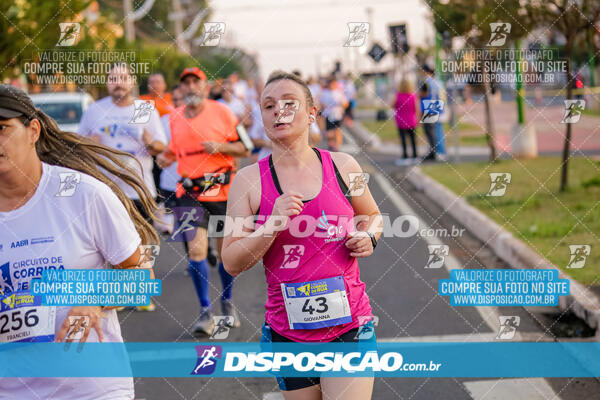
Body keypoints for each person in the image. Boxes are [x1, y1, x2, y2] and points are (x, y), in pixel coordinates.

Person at [222, 71, 382, 399]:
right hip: (288, 333)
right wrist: (272, 225)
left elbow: (373, 216)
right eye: (268, 105)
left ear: (311, 113)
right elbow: (232, 262)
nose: (278, 110)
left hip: (349, 326)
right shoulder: (247, 181)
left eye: (289, 103)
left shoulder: (345, 166)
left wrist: (370, 237)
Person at [0, 84, 158, 399]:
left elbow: (142, 280)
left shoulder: (83, 194)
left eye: (2, 128)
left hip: (92, 387)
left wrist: (94, 301)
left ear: (33, 130)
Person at [157, 67, 251, 335]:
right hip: (189, 193)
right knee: (196, 252)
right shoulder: (174, 118)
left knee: (224, 255)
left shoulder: (223, 112)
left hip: (221, 193)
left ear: (205, 87)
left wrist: (221, 147)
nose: (189, 88)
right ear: (181, 90)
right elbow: (176, 150)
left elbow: (245, 147)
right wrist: (167, 157)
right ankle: (205, 312)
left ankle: (227, 302)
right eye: (185, 84)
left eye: (194, 83)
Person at [78, 63, 167, 222]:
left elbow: (161, 146)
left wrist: (150, 143)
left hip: (140, 190)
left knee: (143, 241)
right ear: (107, 83)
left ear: (132, 81)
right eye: (113, 79)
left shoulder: (146, 110)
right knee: (108, 243)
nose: (118, 83)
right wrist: (89, 143)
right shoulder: (94, 110)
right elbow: (77, 146)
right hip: (106, 190)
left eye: (123, 78)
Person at [420, 65, 446, 159]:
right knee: (437, 131)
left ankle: (436, 152)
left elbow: (423, 94)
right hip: (437, 107)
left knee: (431, 132)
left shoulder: (427, 82)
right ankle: (438, 151)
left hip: (428, 108)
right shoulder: (438, 82)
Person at [393, 79, 419, 164]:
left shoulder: (398, 96)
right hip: (411, 120)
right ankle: (415, 156)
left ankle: (405, 156)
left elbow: (393, 105)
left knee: (403, 139)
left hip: (401, 121)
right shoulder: (413, 96)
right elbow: (416, 108)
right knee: (413, 139)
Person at [318, 77, 348, 151]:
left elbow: (346, 104)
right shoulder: (324, 93)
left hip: (338, 115)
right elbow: (321, 103)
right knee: (329, 132)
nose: (332, 85)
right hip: (328, 115)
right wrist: (323, 106)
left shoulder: (339, 93)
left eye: (334, 84)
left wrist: (341, 104)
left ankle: (337, 146)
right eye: (331, 84)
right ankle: (331, 144)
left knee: (337, 130)